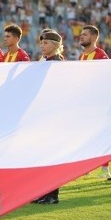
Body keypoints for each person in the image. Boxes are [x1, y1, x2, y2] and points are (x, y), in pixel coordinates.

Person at [32, 30, 65, 205]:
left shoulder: (59, 64)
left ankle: (53, 194)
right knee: (42, 154)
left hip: (54, 116)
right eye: (41, 43)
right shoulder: (44, 61)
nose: (42, 46)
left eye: (45, 43)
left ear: (54, 45)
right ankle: (43, 192)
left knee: (52, 155)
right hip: (43, 115)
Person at [78, 25, 111, 178]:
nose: (81, 36)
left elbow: (106, 78)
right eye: (81, 34)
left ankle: (105, 169)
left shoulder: (101, 55)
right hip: (85, 103)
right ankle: (87, 167)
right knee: (86, 134)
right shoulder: (81, 56)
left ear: (93, 37)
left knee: (101, 135)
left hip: (98, 103)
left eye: (84, 34)